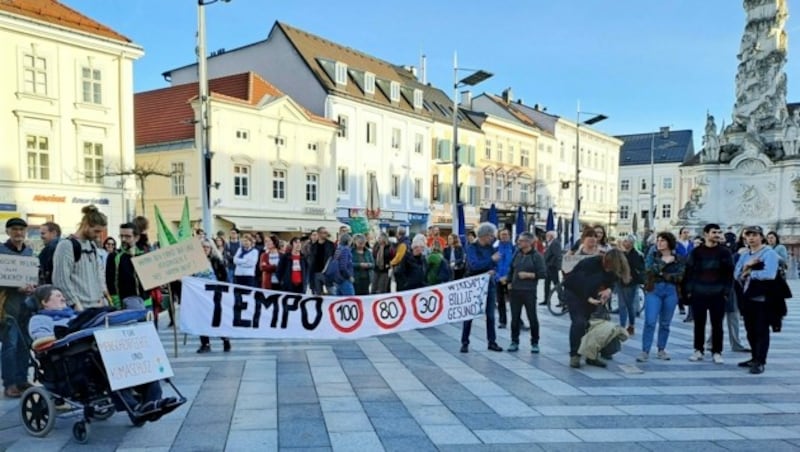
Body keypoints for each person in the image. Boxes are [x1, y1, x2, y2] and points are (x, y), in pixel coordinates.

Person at [27, 285, 175, 419]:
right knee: (109, 364)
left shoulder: (74, 315)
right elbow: (39, 340)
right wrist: (64, 334)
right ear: (45, 302)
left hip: (91, 351)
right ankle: (135, 406)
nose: (63, 298)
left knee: (136, 359)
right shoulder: (40, 319)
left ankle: (152, 401)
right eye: (58, 296)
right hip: (69, 358)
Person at [563, 249, 631, 368]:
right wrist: (588, 299)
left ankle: (592, 356)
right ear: (606, 261)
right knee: (579, 323)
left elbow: (613, 282)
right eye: (609, 268)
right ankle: (575, 355)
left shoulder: (614, 268)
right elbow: (573, 283)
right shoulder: (589, 264)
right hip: (575, 294)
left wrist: (608, 290)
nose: (610, 271)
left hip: (593, 296)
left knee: (594, 326)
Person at [684, 223, 734, 364]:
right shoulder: (696, 252)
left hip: (718, 293)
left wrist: (726, 292)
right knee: (699, 323)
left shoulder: (724, 252)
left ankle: (717, 351)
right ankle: (698, 350)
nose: (717, 235)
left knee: (717, 324)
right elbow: (689, 272)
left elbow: (729, 273)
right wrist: (689, 290)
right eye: (714, 232)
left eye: (719, 232)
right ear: (706, 234)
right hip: (699, 292)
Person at [734, 225, 779, 374]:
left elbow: (770, 274)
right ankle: (754, 356)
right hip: (747, 296)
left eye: (755, 235)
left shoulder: (769, 253)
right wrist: (745, 268)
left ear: (761, 237)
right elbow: (737, 272)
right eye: (748, 235)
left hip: (763, 297)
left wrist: (749, 272)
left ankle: (760, 361)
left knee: (761, 330)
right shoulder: (745, 254)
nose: (751, 238)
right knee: (750, 329)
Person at [1, 218, 36, 398]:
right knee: (10, 345)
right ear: (8, 232)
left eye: (22, 230)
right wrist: (16, 286)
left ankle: (22, 380)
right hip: (8, 306)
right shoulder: (1, 251)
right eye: (14, 229)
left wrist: (32, 287)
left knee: (25, 344)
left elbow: (33, 274)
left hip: (26, 306)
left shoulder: (29, 252)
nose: (18, 233)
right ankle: (9, 383)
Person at [637, 232, 685, 363]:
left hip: (671, 291)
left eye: (662, 240)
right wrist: (663, 264)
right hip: (654, 289)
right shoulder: (652, 256)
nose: (659, 243)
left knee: (665, 322)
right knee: (650, 321)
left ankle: (661, 349)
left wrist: (663, 274)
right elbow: (648, 272)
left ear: (669, 242)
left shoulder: (679, 258)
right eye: (658, 240)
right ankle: (645, 350)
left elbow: (680, 276)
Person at [52, 205, 107, 311]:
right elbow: (61, 279)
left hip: (96, 306)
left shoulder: (92, 245)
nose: (98, 235)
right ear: (86, 225)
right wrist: (74, 303)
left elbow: (97, 275)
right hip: (78, 308)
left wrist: (101, 297)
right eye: (96, 231)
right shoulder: (66, 245)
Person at [460, 222, 503, 353]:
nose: (493, 238)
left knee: (490, 315)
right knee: (469, 314)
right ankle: (465, 342)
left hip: (489, 284)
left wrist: (494, 270)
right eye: (491, 236)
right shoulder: (472, 248)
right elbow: (474, 265)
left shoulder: (492, 248)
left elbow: (496, 264)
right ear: (484, 236)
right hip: (474, 284)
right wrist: (490, 261)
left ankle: (492, 342)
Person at [507, 232, 546, 353]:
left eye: (521, 241)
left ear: (529, 242)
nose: (519, 243)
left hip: (529, 291)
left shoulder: (537, 256)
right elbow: (511, 268)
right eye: (519, 240)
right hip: (515, 290)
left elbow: (543, 273)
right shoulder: (517, 254)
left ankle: (535, 342)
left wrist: (529, 275)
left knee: (532, 317)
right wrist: (509, 281)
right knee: (515, 318)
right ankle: (514, 341)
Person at [197, 239, 231, 353]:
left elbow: (224, 278)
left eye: (207, 247)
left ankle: (225, 339)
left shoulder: (216, 261)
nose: (205, 249)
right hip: (199, 295)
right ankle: (205, 344)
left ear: (211, 248)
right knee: (201, 319)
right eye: (202, 247)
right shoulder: (194, 262)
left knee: (216, 319)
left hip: (214, 294)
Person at [113, 223, 154, 313]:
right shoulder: (115, 256)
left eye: (128, 236)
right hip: (127, 302)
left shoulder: (144, 255)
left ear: (136, 237)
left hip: (147, 301)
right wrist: (117, 304)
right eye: (121, 236)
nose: (123, 239)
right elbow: (111, 282)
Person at [618, 235, 644, 336]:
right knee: (622, 305)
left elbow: (639, 269)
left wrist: (632, 276)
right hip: (620, 281)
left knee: (629, 305)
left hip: (631, 283)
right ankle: (622, 326)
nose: (624, 243)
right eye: (624, 241)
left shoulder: (636, 255)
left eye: (626, 241)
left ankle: (631, 325)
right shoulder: (621, 253)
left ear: (632, 243)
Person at [494, 229, 515, 329]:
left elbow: (516, 264)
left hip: (510, 278)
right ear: (499, 236)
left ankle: (518, 321)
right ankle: (502, 321)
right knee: (500, 301)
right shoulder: (495, 248)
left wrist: (508, 277)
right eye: (502, 235)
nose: (504, 236)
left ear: (509, 235)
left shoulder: (514, 248)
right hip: (498, 278)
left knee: (514, 302)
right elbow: (493, 264)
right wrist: (498, 277)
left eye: (506, 234)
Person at [309, 227, 336, 295]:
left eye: (326, 232)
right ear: (319, 234)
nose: (326, 234)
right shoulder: (313, 246)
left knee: (332, 293)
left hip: (327, 273)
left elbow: (334, 258)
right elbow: (311, 260)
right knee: (318, 295)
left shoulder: (331, 245)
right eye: (324, 232)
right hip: (316, 273)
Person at [676, 227, 695, 319]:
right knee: (680, 289)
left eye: (687, 232)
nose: (686, 234)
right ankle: (681, 305)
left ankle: (691, 313)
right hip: (680, 269)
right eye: (684, 232)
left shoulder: (691, 244)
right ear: (680, 234)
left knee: (690, 290)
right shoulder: (677, 245)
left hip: (690, 270)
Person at [542, 230, 563, 306]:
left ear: (551, 236)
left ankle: (562, 300)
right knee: (546, 284)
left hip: (552, 267)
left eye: (547, 235)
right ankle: (546, 300)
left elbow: (557, 255)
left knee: (556, 284)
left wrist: (556, 265)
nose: (546, 237)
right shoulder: (550, 243)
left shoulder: (555, 243)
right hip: (548, 267)